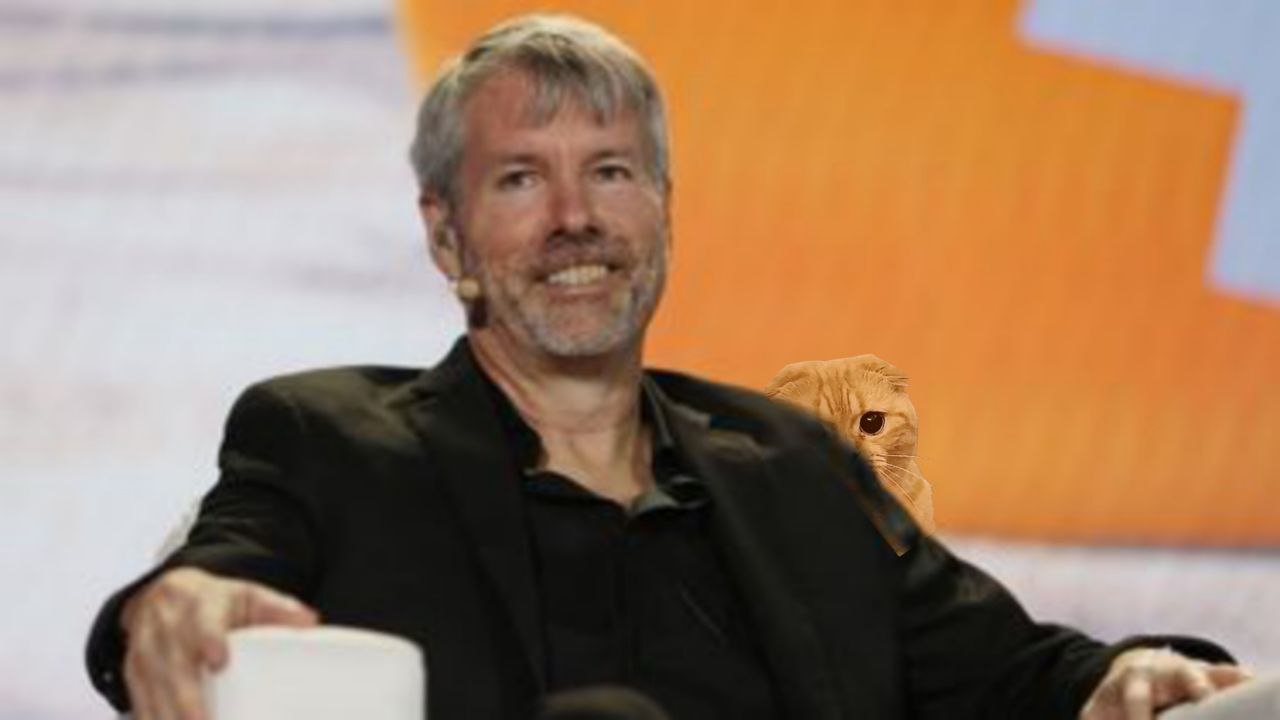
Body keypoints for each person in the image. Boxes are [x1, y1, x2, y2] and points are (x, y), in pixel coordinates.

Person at [85, 14, 1251, 720]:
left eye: (610, 172)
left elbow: (1010, 675)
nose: (574, 219)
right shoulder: (327, 436)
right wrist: (170, 605)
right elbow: (219, 573)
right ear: (446, 238)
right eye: (520, 179)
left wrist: (1129, 680)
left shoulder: (792, 463)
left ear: (663, 211)